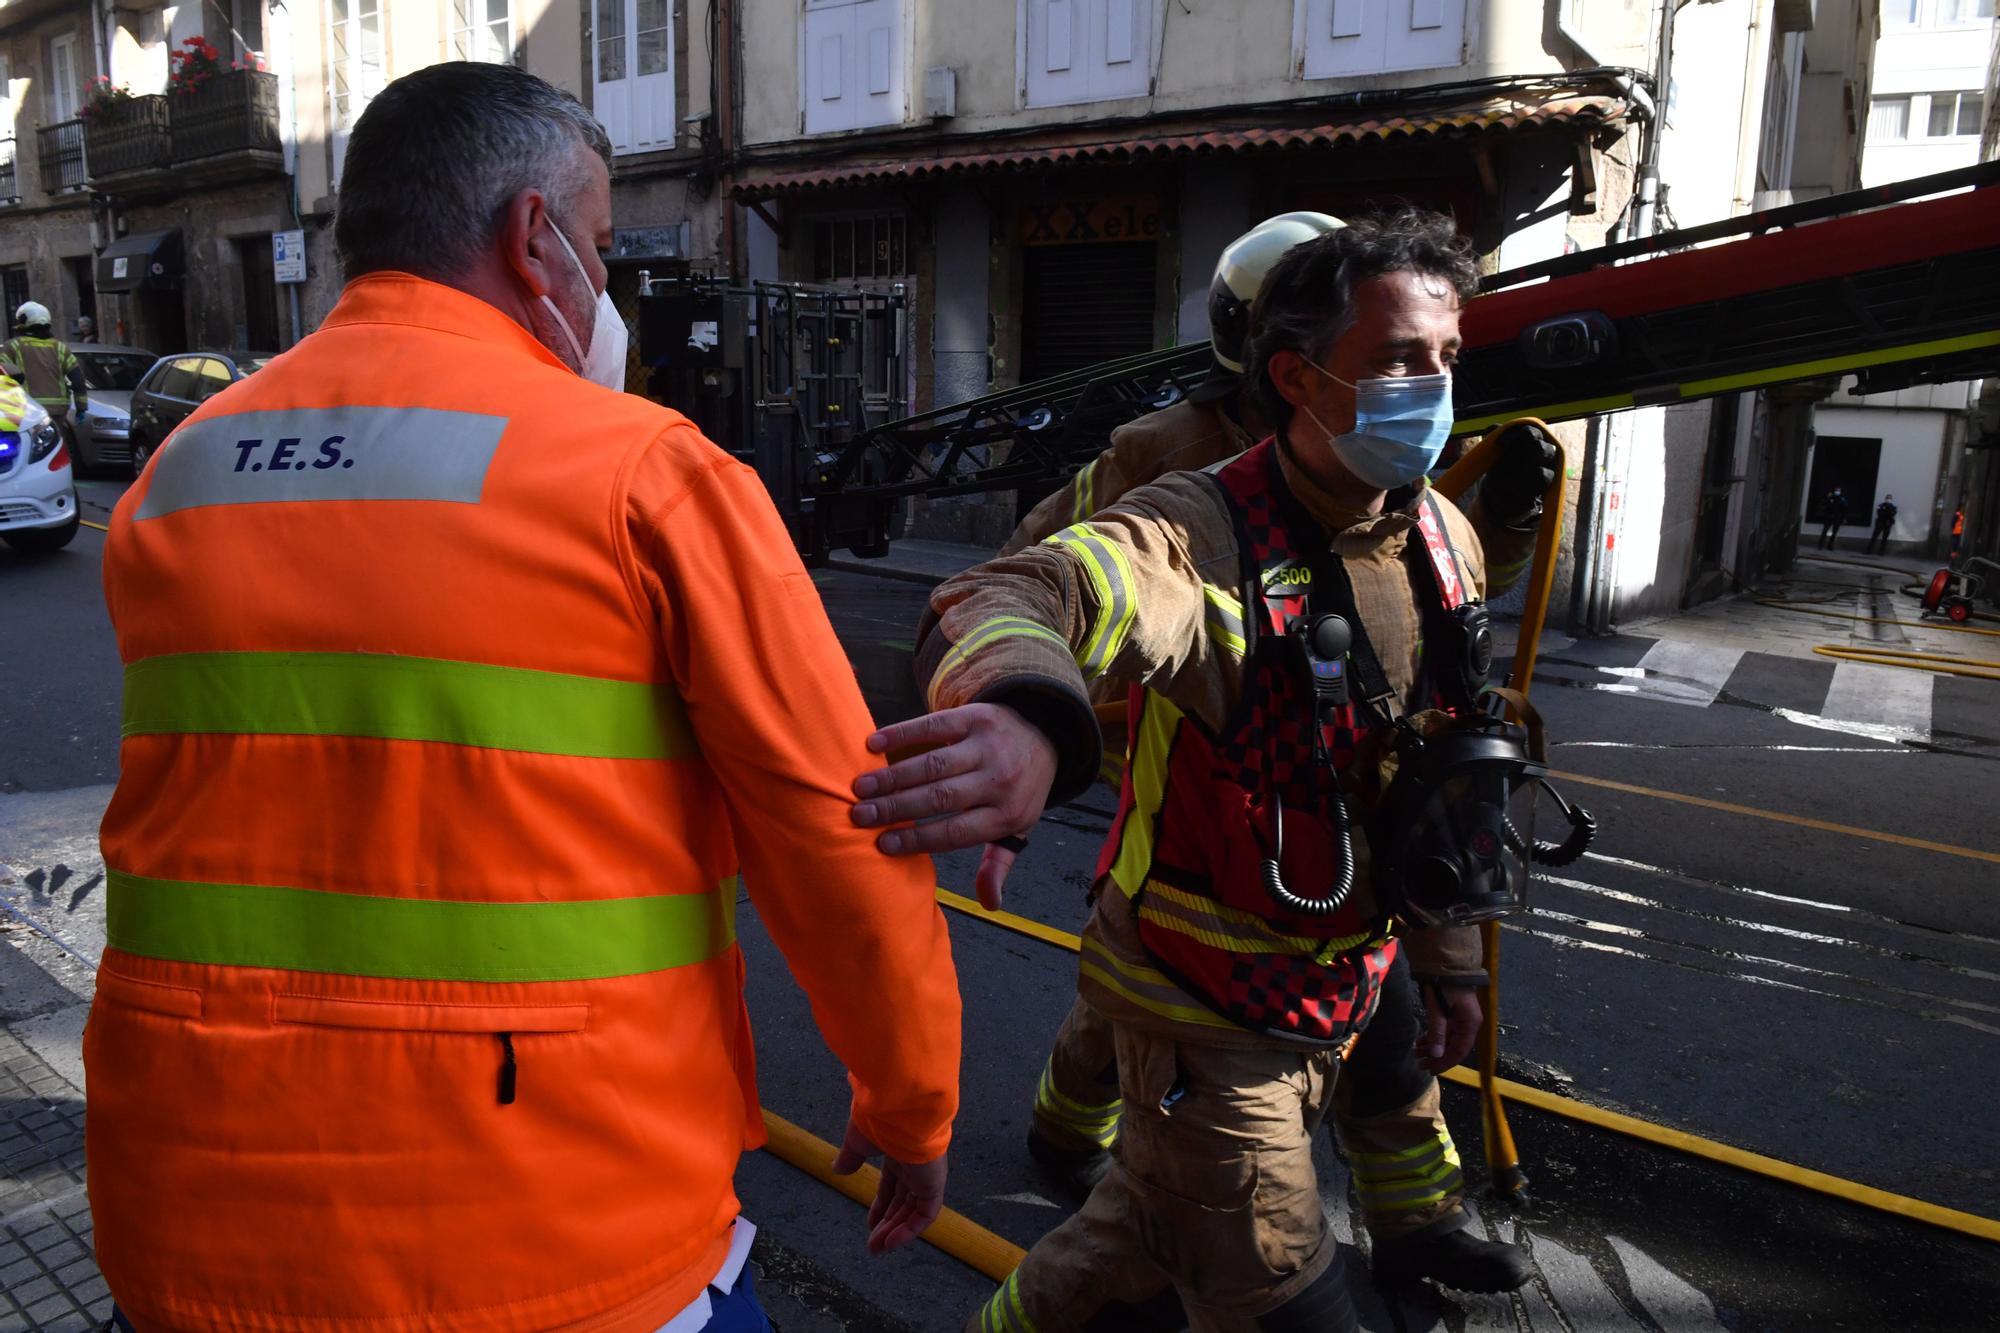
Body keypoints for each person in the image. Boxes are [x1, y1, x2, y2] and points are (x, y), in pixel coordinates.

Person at [89, 62, 961, 1333]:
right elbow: (835, 823)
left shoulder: (181, 470)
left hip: (189, 1218)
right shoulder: (639, 472)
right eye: (602, 247)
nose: (605, 286)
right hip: (546, 1228)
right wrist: (909, 1104)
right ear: (531, 237)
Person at [852, 211, 1543, 1330]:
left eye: (1446, 359)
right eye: (1395, 361)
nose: (1430, 390)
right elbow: (1032, 587)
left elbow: (1437, 768)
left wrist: (1449, 957)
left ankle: (1410, 1221)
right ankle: (1066, 1128)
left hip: (1343, 971)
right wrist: (1030, 710)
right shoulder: (1199, 523)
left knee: (1128, 1246)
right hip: (1206, 1000)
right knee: (1274, 1294)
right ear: (1294, 373)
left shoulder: (1442, 540)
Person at [2, 301, 88, 440]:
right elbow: (77, 378)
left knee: (28, 448)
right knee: (56, 446)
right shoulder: (60, 347)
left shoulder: (12, 346)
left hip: (27, 409)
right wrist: (81, 408)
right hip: (58, 410)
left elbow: (3, 377)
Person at [1818, 485, 1847, 550]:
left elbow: (1844, 509)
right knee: (1825, 531)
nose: (1837, 492)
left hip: (1837, 517)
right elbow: (1825, 505)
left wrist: (1843, 518)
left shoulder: (1842, 499)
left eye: (1839, 490)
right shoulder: (1830, 497)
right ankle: (1820, 544)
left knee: (1834, 533)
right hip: (1829, 516)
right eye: (1836, 490)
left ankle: (1830, 546)